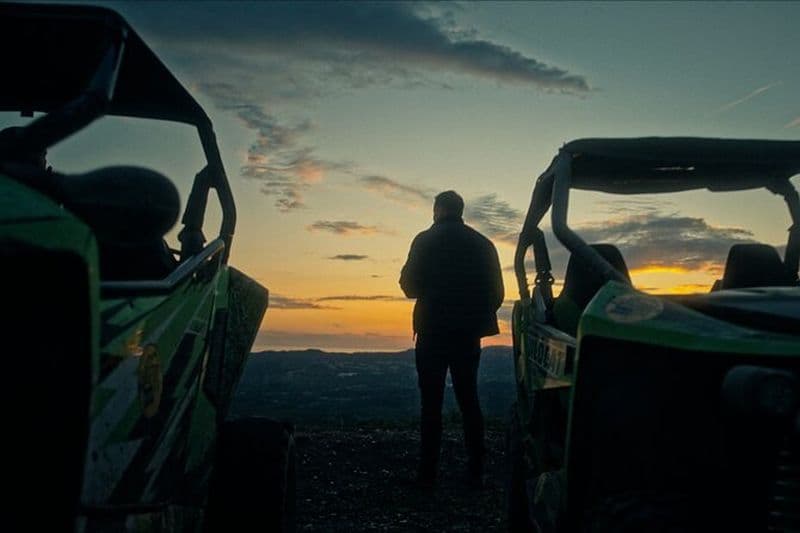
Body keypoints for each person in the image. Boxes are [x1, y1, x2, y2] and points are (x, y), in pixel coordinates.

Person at [399, 190, 504, 487]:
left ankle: (427, 473)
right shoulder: (484, 244)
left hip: (431, 330)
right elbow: (497, 294)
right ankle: (475, 471)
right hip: (468, 334)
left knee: (430, 402)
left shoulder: (424, 240)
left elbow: (408, 285)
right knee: (468, 398)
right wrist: (474, 314)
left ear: (438, 210)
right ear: (460, 210)